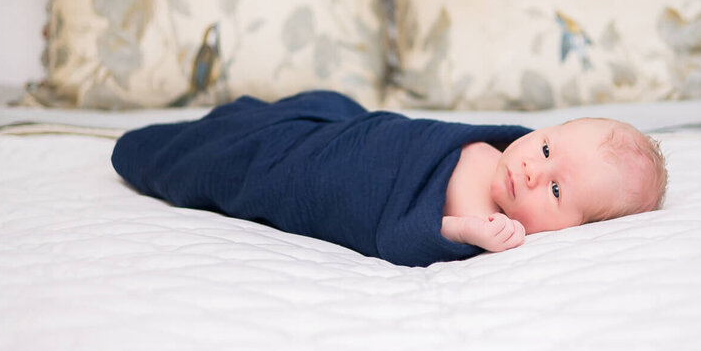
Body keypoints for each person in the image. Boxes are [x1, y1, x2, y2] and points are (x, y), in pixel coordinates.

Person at [112, 90, 666, 267]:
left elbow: (396, 237)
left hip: (319, 174)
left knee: (225, 161)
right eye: (545, 146)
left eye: (556, 190)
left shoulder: (485, 223)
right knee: (325, 105)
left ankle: (170, 144)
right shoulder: (509, 149)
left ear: (573, 229)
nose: (532, 168)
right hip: (365, 134)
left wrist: (458, 233)